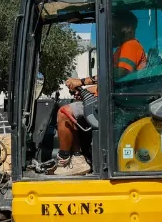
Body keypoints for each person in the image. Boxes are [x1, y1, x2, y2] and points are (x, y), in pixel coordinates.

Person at [56, 10, 146, 170]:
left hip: (118, 105)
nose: (111, 33)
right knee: (76, 110)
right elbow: (115, 80)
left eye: (114, 28)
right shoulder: (125, 47)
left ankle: (64, 159)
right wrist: (88, 89)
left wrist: (82, 81)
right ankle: (79, 157)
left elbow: (117, 74)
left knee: (64, 112)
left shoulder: (130, 46)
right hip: (116, 100)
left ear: (127, 28)